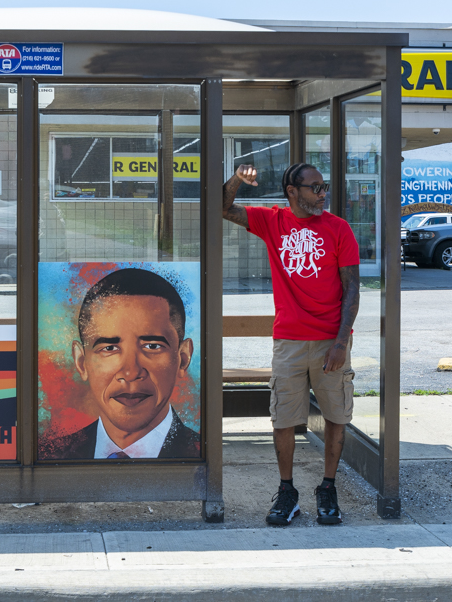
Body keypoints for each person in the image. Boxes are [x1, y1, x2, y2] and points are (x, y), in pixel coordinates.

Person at [222, 162, 360, 526]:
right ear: (292, 191)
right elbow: (221, 207)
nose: (322, 193)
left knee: (335, 416)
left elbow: (352, 289)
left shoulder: (339, 229)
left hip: (331, 340)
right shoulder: (273, 221)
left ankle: (327, 488)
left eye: (324, 185)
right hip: (289, 341)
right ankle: (287, 492)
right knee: (282, 418)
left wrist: (342, 341)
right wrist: (237, 179)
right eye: (315, 187)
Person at [39, 267, 200, 460]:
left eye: (152, 346)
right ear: (81, 362)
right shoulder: (54, 456)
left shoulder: (198, 454)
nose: (131, 372)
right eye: (109, 349)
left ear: (183, 358)